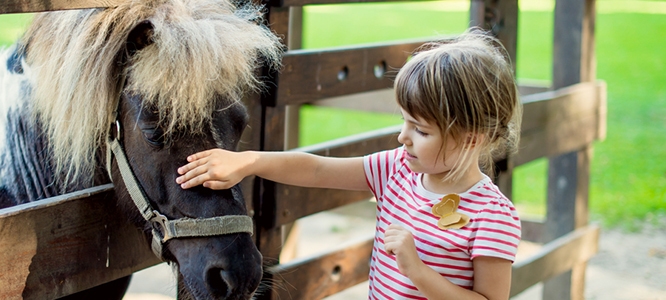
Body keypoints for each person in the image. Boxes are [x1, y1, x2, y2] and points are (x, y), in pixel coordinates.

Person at [176, 28, 522, 300]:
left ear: (471, 138)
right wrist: (249, 161)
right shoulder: (396, 170)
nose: (403, 137)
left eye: (421, 130)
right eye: (404, 122)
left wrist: (417, 271)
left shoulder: (492, 216)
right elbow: (317, 169)